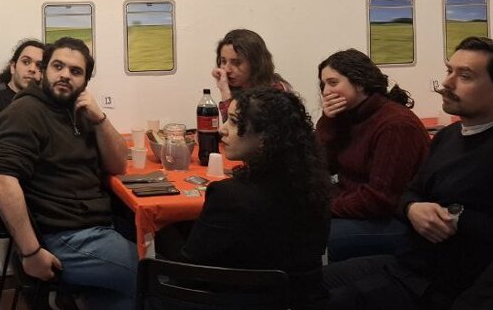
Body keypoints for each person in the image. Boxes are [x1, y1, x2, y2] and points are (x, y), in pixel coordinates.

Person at [325, 37, 493, 310]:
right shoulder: (449, 135)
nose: (447, 83)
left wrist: (460, 218)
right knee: (302, 286)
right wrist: (412, 208)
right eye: (449, 71)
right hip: (407, 267)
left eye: (464, 76)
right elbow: (409, 192)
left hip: (446, 289)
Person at [0, 37, 136, 310]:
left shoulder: (76, 110)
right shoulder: (24, 112)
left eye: (76, 71)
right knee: (158, 275)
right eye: (58, 66)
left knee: (167, 247)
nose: (65, 74)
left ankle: (84, 301)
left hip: (98, 225)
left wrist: (100, 119)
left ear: (85, 81)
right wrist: (31, 253)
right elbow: (2, 181)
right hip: (65, 236)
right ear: (43, 70)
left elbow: (118, 166)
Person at [157, 88, 330, 309]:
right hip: (299, 297)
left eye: (234, 122)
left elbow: (189, 271)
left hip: (229, 300)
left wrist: (161, 233)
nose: (221, 129)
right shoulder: (315, 186)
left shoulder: (229, 195)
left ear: (266, 137)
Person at [315, 49, 429, 261]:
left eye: (333, 83)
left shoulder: (395, 125)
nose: (326, 91)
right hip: (355, 203)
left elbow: (381, 199)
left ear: (359, 83)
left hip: (393, 217)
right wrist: (327, 122)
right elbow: (320, 166)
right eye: (323, 85)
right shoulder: (347, 116)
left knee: (316, 235)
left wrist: (324, 206)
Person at [212, 28, 291, 119]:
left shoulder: (275, 93)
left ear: (255, 63)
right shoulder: (240, 87)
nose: (227, 69)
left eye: (236, 63)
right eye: (223, 61)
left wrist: (224, 92)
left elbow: (238, 126)